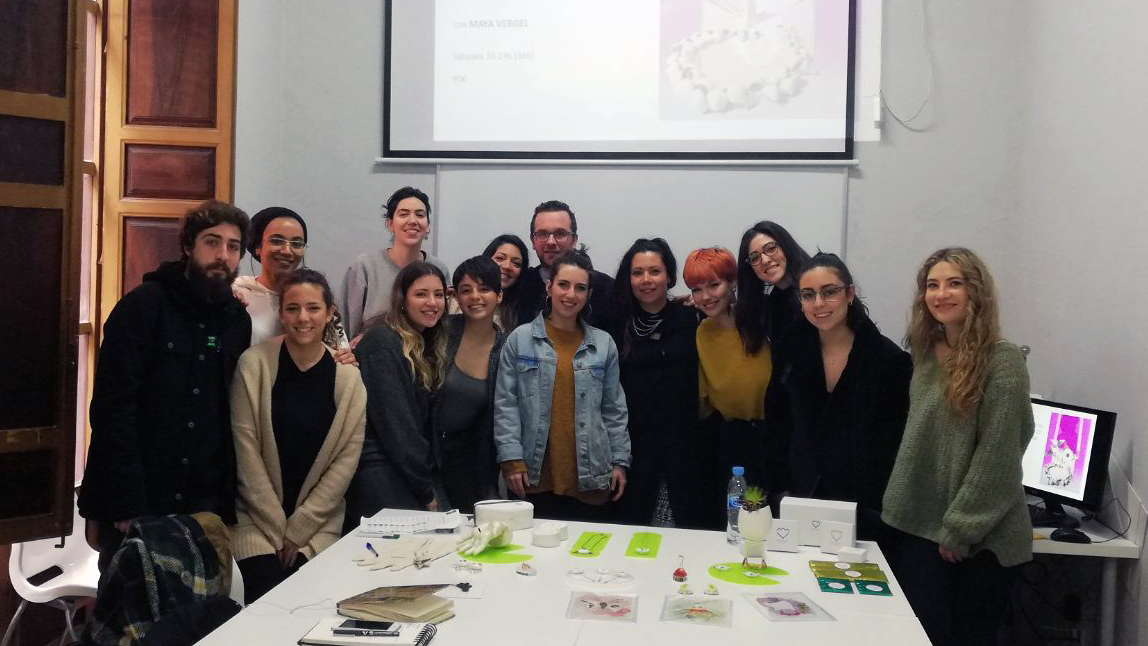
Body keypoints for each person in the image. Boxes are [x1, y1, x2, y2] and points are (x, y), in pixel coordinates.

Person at [79, 200, 252, 569]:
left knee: (201, 618)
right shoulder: (142, 307)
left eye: (233, 246)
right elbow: (113, 410)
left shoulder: (237, 320)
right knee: (132, 616)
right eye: (212, 242)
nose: (223, 255)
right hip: (141, 496)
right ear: (188, 246)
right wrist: (127, 502)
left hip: (203, 500)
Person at [882, 247, 1034, 646]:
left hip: (976, 540)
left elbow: (1000, 454)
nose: (941, 294)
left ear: (976, 293)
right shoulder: (925, 353)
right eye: (932, 285)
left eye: (954, 283)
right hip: (922, 526)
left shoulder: (1002, 360)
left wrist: (961, 528)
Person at [230, 269, 366, 604]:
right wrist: (278, 531)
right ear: (281, 313)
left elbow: (345, 463)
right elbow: (245, 453)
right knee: (265, 594)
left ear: (330, 312)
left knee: (309, 602)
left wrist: (300, 528)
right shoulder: (254, 365)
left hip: (318, 527)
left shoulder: (348, 378)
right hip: (256, 523)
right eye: (292, 308)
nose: (302, 318)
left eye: (313, 308)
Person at [766, 253, 911, 545]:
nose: (819, 303)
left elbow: (893, 445)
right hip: (798, 500)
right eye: (808, 295)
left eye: (829, 292)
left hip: (863, 511)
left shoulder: (889, 361)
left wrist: (876, 511)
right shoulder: (789, 351)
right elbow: (776, 427)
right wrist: (778, 492)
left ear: (850, 294)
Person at [495, 249, 631, 522]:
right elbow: (505, 405)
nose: (571, 295)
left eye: (580, 288)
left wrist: (620, 461)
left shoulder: (603, 344)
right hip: (532, 477)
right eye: (563, 285)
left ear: (589, 294)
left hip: (592, 475)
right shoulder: (520, 339)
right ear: (549, 286)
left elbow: (614, 409)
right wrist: (511, 460)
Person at [608, 238, 706, 528]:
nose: (646, 280)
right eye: (638, 272)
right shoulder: (615, 325)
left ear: (670, 276)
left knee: (685, 536)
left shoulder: (694, 320)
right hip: (633, 450)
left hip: (687, 450)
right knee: (632, 537)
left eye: (655, 271)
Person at [343, 262, 448, 528]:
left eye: (439, 294)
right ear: (402, 299)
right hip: (380, 475)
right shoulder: (383, 343)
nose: (432, 302)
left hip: (406, 471)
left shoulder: (424, 344)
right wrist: (426, 490)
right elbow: (397, 427)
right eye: (421, 294)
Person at [684, 247, 774, 509]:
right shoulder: (702, 331)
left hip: (775, 435)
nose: (706, 296)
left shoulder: (762, 319)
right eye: (696, 289)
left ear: (732, 282)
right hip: (735, 439)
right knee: (739, 517)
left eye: (714, 285)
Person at [432, 257, 507, 513]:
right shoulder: (440, 332)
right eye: (466, 290)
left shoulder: (506, 349)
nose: (475, 296)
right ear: (456, 296)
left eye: (484, 288)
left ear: (499, 295)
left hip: (469, 460)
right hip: (426, 452)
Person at [342, 187, 451, 338]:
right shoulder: (364, 266)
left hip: (426, 357)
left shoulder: (439, 269)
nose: (412, 221)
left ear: (428, 227)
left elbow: (442, 324)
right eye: (404, 214)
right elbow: (347, 329)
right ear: (390, 224)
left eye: (420, 215)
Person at [232, 206, 349, 349]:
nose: (287, 251)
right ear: (258, 246)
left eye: (297, 244)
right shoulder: (237, 293)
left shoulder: (316, 297)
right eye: (276, 241)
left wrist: (345, 358)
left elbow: (339, 350)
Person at [514, 200, 615, 329]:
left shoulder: (606, 289)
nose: (551, 242)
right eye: (542, 234)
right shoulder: (519, 285)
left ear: (574, 240)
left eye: (560, 234)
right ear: (533, 241)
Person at [734, 221, 812, 358]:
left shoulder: (815, 291)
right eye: (755, 257)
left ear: (785, 245)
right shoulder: (772, 301)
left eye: (770, 249)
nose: (765, 260)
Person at [483, 233, 530, 331]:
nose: (507, 266)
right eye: (500, 258)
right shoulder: (456, 302)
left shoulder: (522, 313)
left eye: (516, 263)